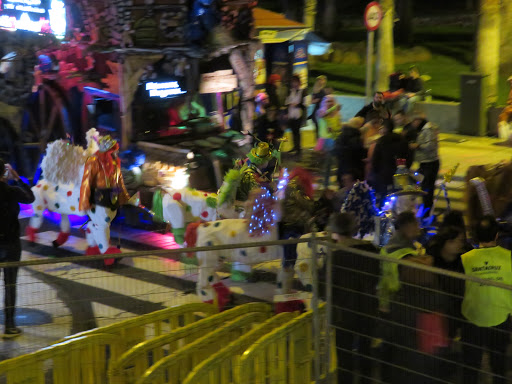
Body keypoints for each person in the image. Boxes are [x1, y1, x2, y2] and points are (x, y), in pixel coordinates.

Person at [378, 211, 441, 384]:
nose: (418, 228)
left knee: (391, 348)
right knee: (404, 352)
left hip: (387, 303)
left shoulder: (389, 246)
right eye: (415, 224)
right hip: (401, 304)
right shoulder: (404, 252)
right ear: (406, 227)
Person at [323, 212, 380, 384]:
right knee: (365, 353)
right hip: (367, 308)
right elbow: (376, 276)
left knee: (344, 357)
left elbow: (325, 285)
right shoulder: (369, 250)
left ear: (335, 232)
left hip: (344, 312)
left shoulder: (335, 255)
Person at [460, 215, 512, 384]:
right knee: (498, 365)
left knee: (471, 366)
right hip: (501, 316)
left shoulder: (465, 259)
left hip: (473, 316)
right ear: (497, 235)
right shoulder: (508, 257)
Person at [0, 160, 35, 337]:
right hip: (11, 243)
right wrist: (18, 178)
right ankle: (10, 326)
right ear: (4, 173)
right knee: (10, 284)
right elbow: (31, 198)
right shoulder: (12, 191)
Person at [371, 119, 409, 204]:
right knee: (398, 195)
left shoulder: (381, 141)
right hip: (399, 172)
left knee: (383, 197)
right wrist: (406, 167)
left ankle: (383, 214)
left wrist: (376, 171)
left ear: (385, 128)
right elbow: (408, 156)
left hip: (384, 173)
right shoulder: (402, 140)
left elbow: (375, 158)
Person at [409, 115, 439, 215]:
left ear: (418, 120)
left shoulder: (428, 129)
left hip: (430, 163)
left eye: (414, 121)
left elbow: (431, 145)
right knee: (423, 187)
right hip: (425, 162)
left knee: (427, 189)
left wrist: (418, 146)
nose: (413, 124)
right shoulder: (424, 129)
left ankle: (427, 213)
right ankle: (425, 211)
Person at [317, 94, 342, 188]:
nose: (330, 103)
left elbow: (339, 127)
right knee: (324, 164)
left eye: (331, 101)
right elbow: (324, 114)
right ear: (324, 102)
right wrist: (335, 107)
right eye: (328, 101)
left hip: (334, 140)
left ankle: (328, 184)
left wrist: (335, 130)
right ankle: (324, 183)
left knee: (332, 163)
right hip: (324, 141)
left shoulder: (337, 114)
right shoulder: (320, 111)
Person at [335, 118, 366, 185]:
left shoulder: (341, 136)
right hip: (354, 170)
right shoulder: (357, 138)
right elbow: (361, 154)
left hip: (342, 169)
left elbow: (336, 152)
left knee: (343, 190)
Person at [285, 75, 307, 155]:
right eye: (293, 82)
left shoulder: (303, 91)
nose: (294, 84)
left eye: (295, 82)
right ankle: (294, 146)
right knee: (293, 132)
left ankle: (298, 149)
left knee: (297, 132)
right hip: (291, 114)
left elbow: (305, 104)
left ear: (299, 82)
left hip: (298, 114)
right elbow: (287, 101)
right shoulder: (291, 91)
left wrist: (297, 105)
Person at [309, 75, 328, 139]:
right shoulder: (316, 90)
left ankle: (320, 138)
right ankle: (318, 137)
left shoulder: (323, 90)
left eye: (323, 80)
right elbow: (312, 100)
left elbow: (324, 99)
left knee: (321, 124)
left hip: (322, 108)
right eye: (320, 80)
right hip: (317, 108)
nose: (321, 81)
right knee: (315, 122)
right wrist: (314, 100)